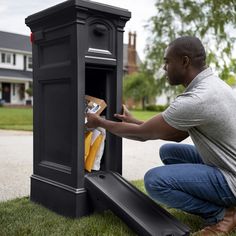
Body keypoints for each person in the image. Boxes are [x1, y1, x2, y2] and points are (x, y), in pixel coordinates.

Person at [86, 36, 236, 235]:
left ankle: (222, 213)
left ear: (184, 61)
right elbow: (176, 135)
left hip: (231, 178)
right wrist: (135, 121)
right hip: (227, 163)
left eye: (167, 62)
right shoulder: (213, 85)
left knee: (155, 181)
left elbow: (143, 135)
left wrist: (100, 122)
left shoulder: (198, 98)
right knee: (169, 151)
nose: (164, 68)